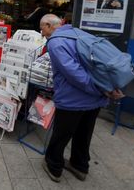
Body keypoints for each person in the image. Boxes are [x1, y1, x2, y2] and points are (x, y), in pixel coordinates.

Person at [39, 14, 124, 182]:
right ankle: (80, 166)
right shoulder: (77, 32)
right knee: (84, 133)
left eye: (42, 29)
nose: (42, 33)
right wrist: (103, 89)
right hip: (95, 99)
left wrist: (98, 89)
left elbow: (73, 73)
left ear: (49, 25)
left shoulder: (55, 43)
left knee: (61, 135)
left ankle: (54, 166)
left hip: (73, 100)